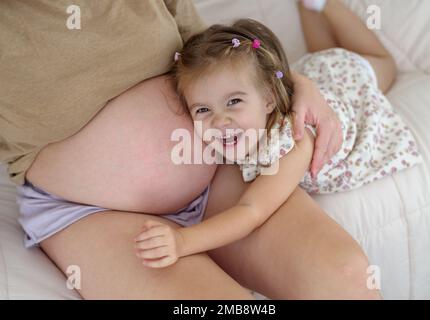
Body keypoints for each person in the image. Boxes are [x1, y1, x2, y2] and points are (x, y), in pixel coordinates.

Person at [0, 0, 389, 299]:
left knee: (347, 278)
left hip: (217, 165)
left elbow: (222, 56)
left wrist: (297, 84)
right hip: (89, 212)